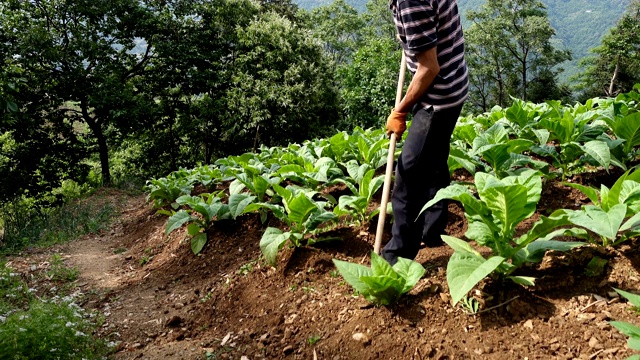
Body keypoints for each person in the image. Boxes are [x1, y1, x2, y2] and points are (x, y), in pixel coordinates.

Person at [382, 0, 468, 265]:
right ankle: (433, 229)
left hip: (438, 98)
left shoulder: (410, 2)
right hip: (454, 85)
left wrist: (401, 110)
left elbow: (429, 67)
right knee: (433, 157)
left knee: (410, 173)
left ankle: (396, 260)